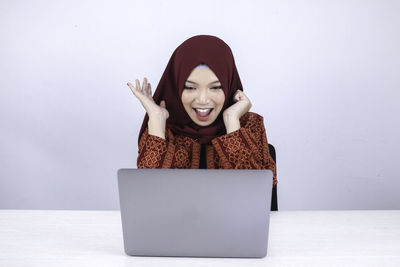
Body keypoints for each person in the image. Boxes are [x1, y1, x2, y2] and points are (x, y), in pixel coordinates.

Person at [127, 35, 277, 186]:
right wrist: (156, 119)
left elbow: (256, 192)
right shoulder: (161, 128)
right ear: (176, 85)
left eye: (216, 87)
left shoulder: (249, 125)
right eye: (191, 87)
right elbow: (150, 195)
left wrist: (232, 124)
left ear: (229, 84)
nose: (203, 100)